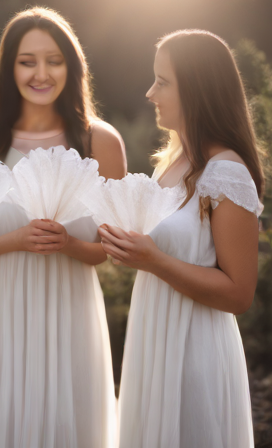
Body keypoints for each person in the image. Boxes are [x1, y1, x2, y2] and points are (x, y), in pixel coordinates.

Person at [0, 7, 126, 448]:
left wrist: (68, 242)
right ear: (8, 67)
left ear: (72, 65)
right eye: (27, 61)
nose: (41, 73)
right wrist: (15, 239)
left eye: (54, 59)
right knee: (0, 426)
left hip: (72, 311)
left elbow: (108, 250)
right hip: (1, 311)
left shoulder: (100, 141)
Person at [99, 29, 264, 448]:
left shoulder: (226, 173)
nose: (150, 93)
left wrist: (154, 260)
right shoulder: (171, 164)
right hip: (154, 340)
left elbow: (239, 293)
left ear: (198, 89)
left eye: (163, 81)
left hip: (194, 350)